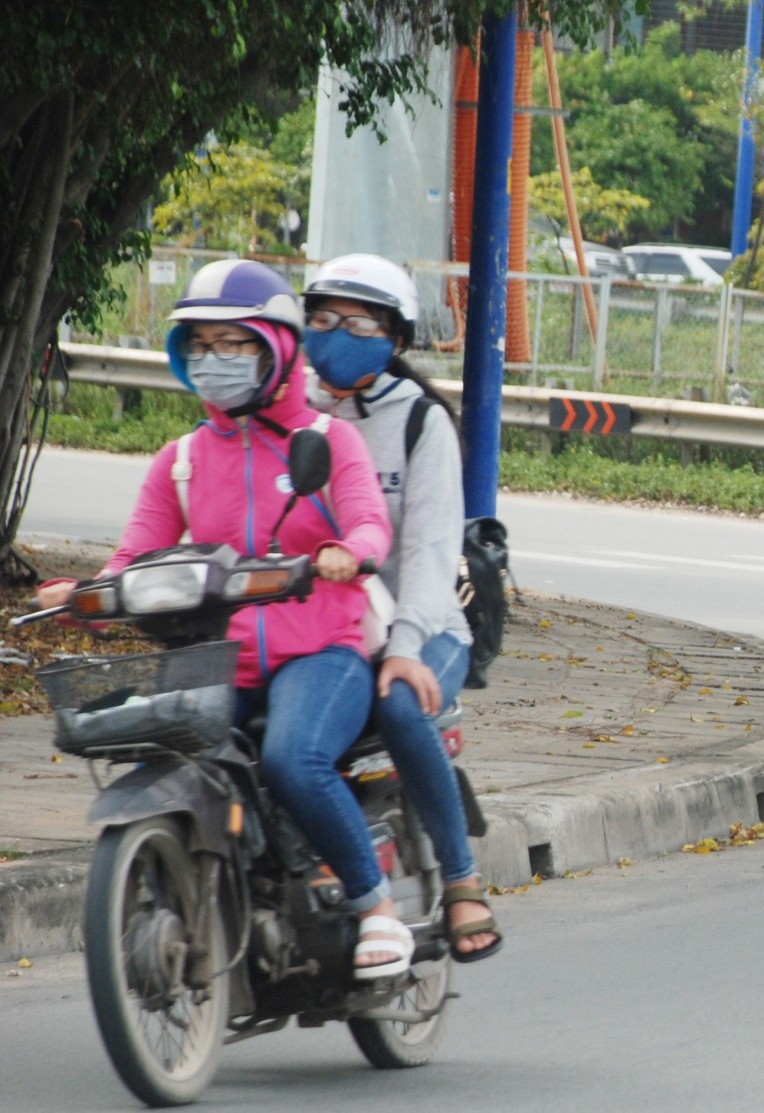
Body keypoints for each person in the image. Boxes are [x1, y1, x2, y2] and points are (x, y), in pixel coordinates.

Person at [37, 261, 408, 976]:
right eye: (200, 344)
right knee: (161, 746)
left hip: (321, 652)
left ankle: (376, 907)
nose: (215, 359)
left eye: (234, 344)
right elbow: (132, 560)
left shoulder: (330, 441)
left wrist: (346, 553)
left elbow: (369, 526)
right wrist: (80, 597)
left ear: (275, 350)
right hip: (219, 660)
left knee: (292, 759)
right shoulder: (180, 460)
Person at [303, 253, 503, 963]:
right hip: (322, 624)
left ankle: (460, 878)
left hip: (427, 623)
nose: (335, 334)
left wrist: (408, 647)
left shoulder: (421, 424)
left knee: (396, 704)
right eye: (322, 318)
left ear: (394, 337)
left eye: (357, 323)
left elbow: (427, 553)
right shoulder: (289, 408)